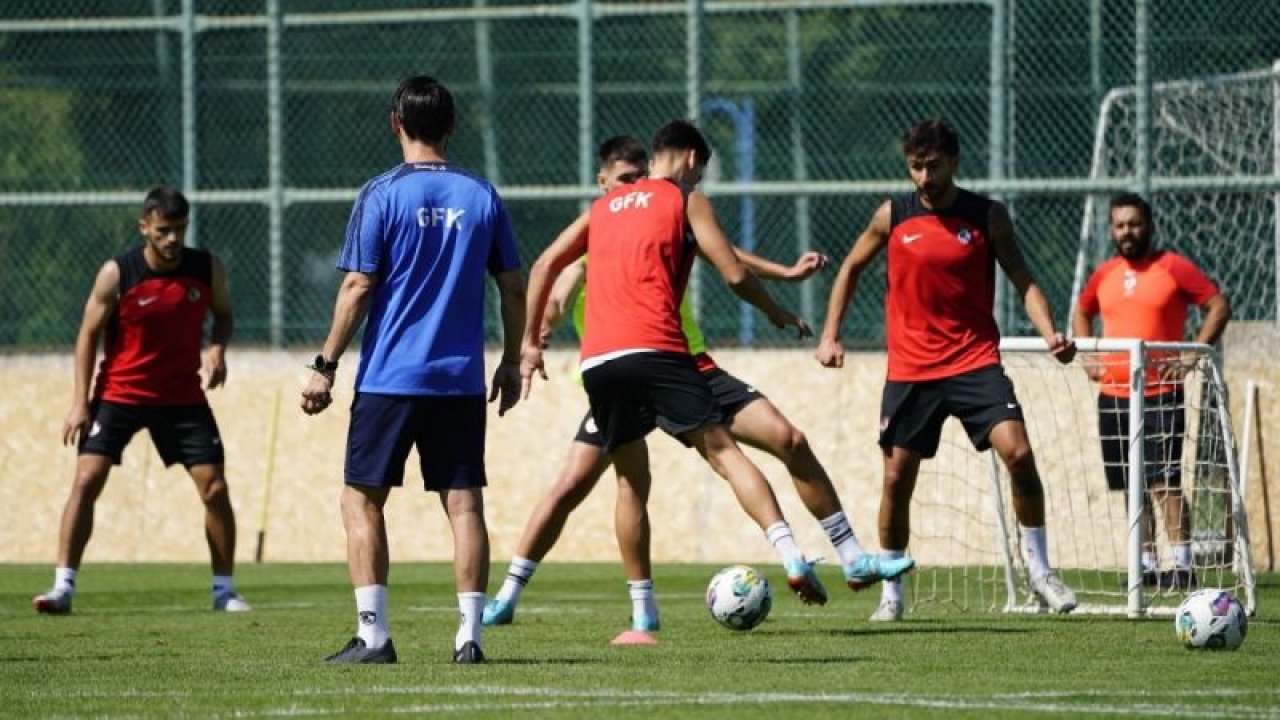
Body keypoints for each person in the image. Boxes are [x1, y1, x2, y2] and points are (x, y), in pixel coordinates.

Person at [484, 136, 914, 630]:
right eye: (622, 180)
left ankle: (848, 556)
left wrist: (787, 274)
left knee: (786, 439)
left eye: (635, 176)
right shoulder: (659, 207)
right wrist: (777, 311)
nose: (631, 187)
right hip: (662, 358)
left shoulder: (621, 214)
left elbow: (722, 254)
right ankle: (788, 555)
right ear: (691, 160)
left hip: (638, 365)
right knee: (625, 477)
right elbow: (560, 287)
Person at [300, 76, 525, 665]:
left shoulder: (381, 193)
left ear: (395, 123)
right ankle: (469, 637)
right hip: (458, 380)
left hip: (390, 380)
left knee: (361, 500)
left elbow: (358, 285)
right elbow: (512, 283)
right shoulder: (483, 196)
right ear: (451, 126)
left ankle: (373, 636)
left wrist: (325, 364)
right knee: (465, 503)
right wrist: (510, 358)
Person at [816, 119, 1079, 621]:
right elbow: (850, 268)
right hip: (912, 369)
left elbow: (1023, 278)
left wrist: (1049, 332)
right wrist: (831, 334)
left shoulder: (988, 216)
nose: (923, 176)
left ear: (954, 161)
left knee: (1018, 453)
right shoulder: (892, 216)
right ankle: (892, 594)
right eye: (915, 166)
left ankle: (1040, 570)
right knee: (896, 478)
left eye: (932, 166)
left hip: (974, 360)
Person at [33, 186, 250, 615]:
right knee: (86, 479)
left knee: (215, 487)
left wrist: (217, 348)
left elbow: (223, 314)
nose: (172, 239)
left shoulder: (206, 269)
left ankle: (224, 591)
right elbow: (87, 335)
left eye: (180, 230)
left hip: (181, 396)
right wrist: (80, 401)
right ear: (145, 227)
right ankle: (63, 587)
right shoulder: (118, 273)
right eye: (164, 230)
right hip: (120, 393)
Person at [1070, 193, 1230, 590]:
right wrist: (1088, 352)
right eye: (1120, 225)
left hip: (1160, 390)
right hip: (1114, 394)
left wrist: (1193, 354)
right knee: (1132, 483)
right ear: (1112, 230)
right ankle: (1143, 566)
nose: (1127, 232)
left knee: (1165, 480)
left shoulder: (1173, 267)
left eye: (1134, 223)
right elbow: (1081, 311)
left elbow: (1217, 305)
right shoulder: (1104, 273)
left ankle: (1181, 565)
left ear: (1149, 226)